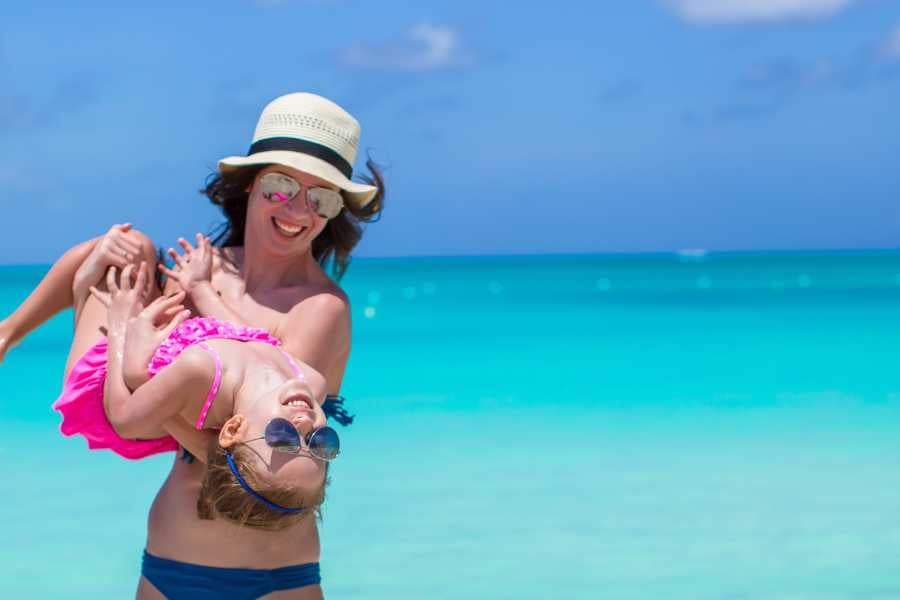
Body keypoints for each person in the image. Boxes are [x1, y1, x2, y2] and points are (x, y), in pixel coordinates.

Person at [2, 92, 384, 598]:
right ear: (249, 185)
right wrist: (95, 279)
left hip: (278, 575)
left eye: (321, 198)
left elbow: (250, 448)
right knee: (124, 250)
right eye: (281, 186)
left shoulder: (321, 306)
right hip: (171, 561)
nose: (298, 209)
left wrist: (150, 387)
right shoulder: (197, 270)